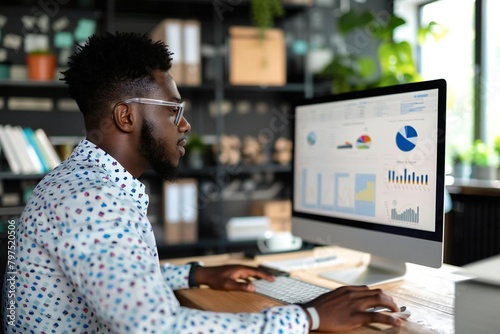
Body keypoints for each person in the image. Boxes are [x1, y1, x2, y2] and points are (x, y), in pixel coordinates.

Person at [2, 32, 403, 333]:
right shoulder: (90, 199)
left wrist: (196, 275)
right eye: (174, 110)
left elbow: (116, 278)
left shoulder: (78, 184)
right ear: (126, 117)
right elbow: (153, 327)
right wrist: (309, 315)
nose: (185, 124)